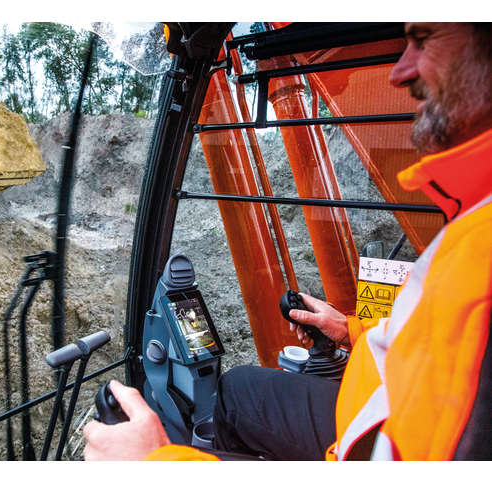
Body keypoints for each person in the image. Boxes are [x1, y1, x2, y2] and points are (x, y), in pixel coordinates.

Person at [83, 22, 492, 461]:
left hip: (377, 426)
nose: (399, 71)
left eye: (423, 38)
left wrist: (157, 458)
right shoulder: (471, 218)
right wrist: (350, 328)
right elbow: (435, 342)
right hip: (385, 395)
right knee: (238, 388)